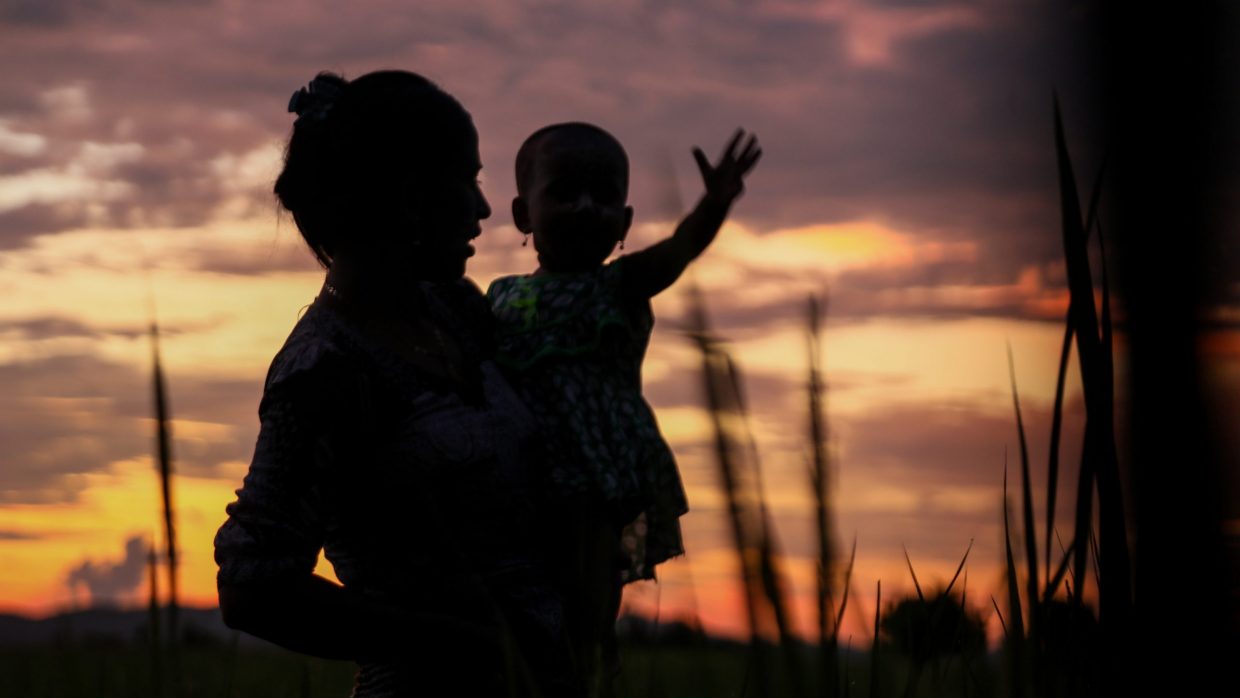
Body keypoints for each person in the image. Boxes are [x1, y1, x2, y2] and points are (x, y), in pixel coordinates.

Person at [214, 71, 577, 697]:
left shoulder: (458, 314)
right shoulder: (324, 369)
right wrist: (470, 645)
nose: (485, 208)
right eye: (468, 181)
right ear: (409, 197)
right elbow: (254, 588)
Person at [486, 122, 761, 690]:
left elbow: (678, 253)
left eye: (604, 197)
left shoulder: (619, 286)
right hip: (522, 478)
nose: (586, 207)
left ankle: (589, 667)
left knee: (585, 600)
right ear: (522, 214)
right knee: (522, 598)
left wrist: (713, 204)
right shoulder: (501, 297)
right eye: (564, 193)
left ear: (626, 224)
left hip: (595, 479)